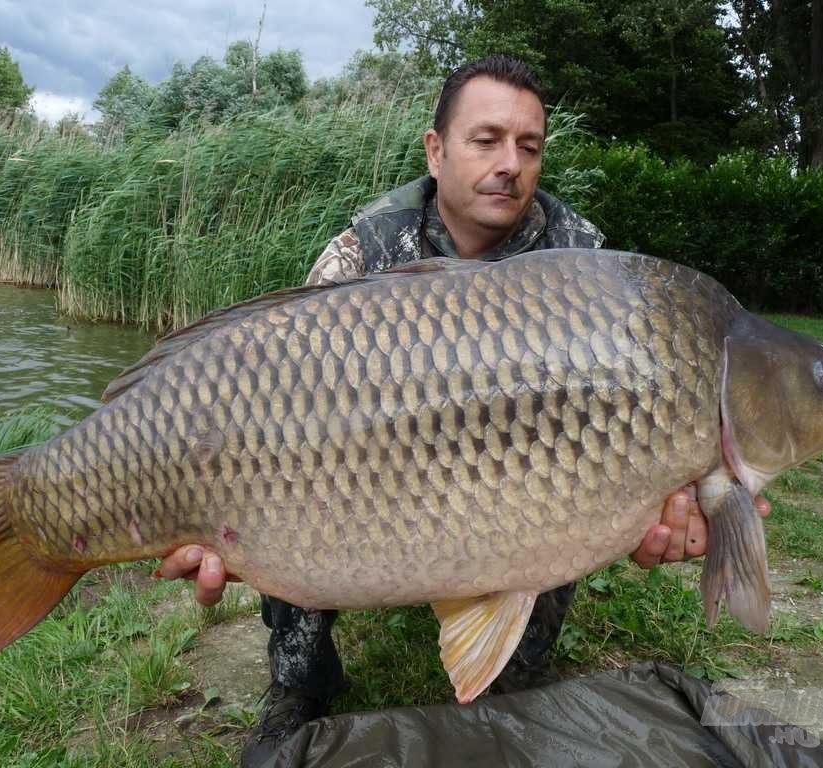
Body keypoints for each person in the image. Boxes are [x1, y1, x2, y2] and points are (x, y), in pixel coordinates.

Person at [155, 55, 771, 765]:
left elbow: (628, 414)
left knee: (557, 491)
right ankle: (300, 682)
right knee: (295, 473)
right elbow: (281, 389)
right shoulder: (363, 251)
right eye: (486, 140)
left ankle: (514, 663)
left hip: (516, 485)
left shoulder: (587, 263)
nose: (510, 163)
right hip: (364, 470)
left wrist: (653, 497)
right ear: (436, 149)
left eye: (529, 146)